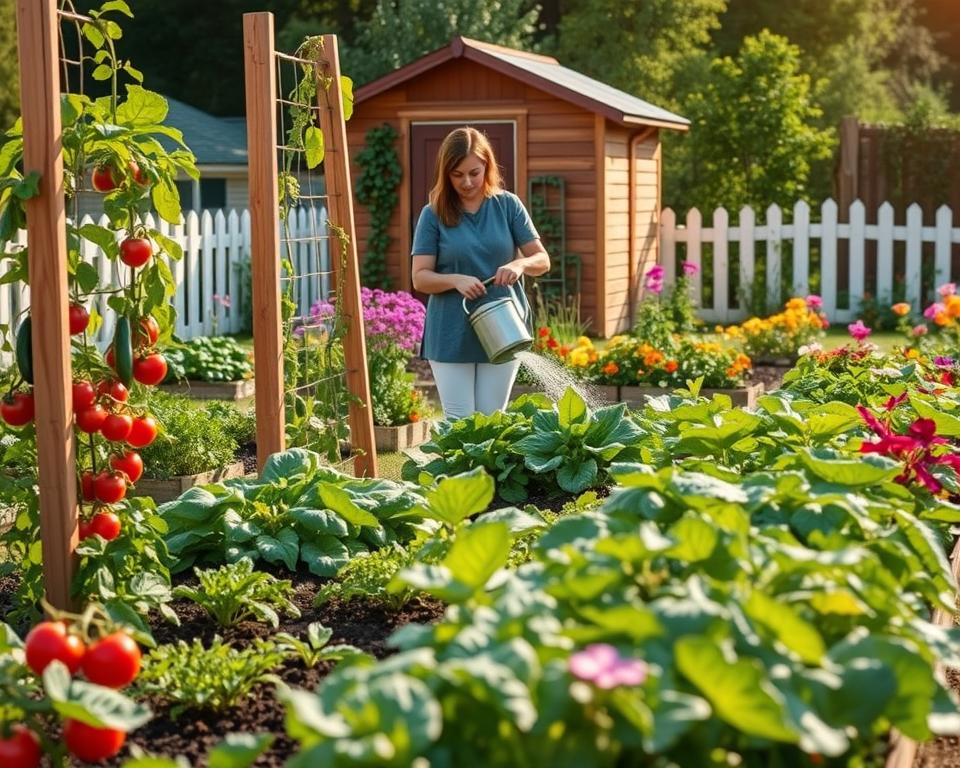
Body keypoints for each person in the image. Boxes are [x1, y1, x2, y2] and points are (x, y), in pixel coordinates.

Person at [411, 126, 550, 420]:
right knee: (459, 420)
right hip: (450, 330)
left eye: (474, 172)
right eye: (457, 174)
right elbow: (420, 277)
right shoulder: (433, 213)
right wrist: (455, 280)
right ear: (445, 173)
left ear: (487, 165)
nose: (467, 181)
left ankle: (486, 470)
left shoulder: (508, 206)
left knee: (491, 418)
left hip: (504, 326)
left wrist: (518, 265)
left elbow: (542, 259)